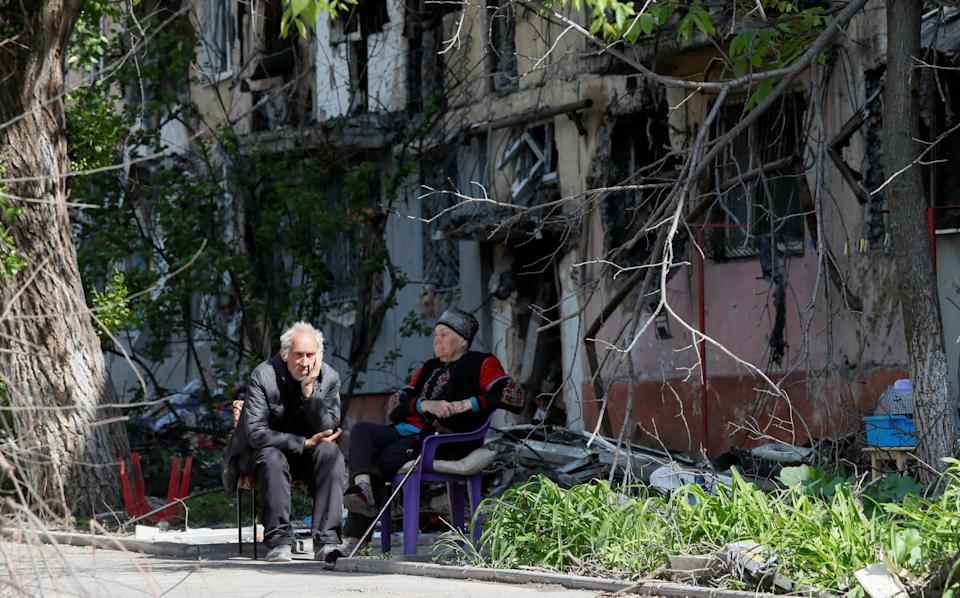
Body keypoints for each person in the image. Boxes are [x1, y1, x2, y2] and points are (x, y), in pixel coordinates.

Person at [337, 307, 524, 554]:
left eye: (445, 334)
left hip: (446, 439)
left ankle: (354, 539)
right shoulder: (428, 368)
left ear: (463, 340)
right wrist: (425, 404)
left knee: (381, 458)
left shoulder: (482, 362)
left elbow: (511, 396)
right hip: (407, 431)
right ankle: (363, 490)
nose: (437, 339)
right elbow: (395, 406)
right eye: (435, 334)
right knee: (362, 431)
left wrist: (466, 404)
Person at [222, 321, 345, 562]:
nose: (306, 362)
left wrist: (310, 392)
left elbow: (328, 427)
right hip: (262, 453)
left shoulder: (328, 377)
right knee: (272, 458)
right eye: (299, 355)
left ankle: (327, 540)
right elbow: (256, 432)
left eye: (311, 355)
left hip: (306, 456)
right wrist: (303, 443)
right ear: (285, 353)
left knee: (331, 453)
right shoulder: (263, 375)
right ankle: (279, 541)